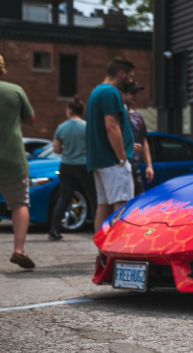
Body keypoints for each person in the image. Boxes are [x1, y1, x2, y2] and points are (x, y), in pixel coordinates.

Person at [86, 57, 136, 230]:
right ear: (121, 74)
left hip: (100, 160)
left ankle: (102, 252)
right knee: (122, 206)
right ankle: (118, 250)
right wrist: (122, 157)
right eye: (130, 76)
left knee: (104, 205)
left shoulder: (96, 92)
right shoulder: (111, 92)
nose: (131, 81)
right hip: (114, 160)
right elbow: (111, 126)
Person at [0, 54, 36, 268]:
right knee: (19, 203)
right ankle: (19, 250)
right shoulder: (15, 91)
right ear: (2, 69)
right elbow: (30, 120)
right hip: (12, 156)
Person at [48, 97, 97, 241]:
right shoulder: (87, 126)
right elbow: (93, 148)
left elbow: (56, 149)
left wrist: (68, 150)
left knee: (64, 198)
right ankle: (97, 229)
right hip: (84, 166)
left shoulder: (62, 127)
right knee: (93, 198)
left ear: (70, 110)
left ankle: (54, 230)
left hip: (66, 166)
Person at [122, 82, 153, 195]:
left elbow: (143, 141)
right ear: (123, 94)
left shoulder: (138, 116)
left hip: (136, 171)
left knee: (139, 206)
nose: (136, 95)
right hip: (122, 170)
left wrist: (149, 165)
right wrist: (128, 148)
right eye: (132, 92)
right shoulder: (119, 115)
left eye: (137, 92)